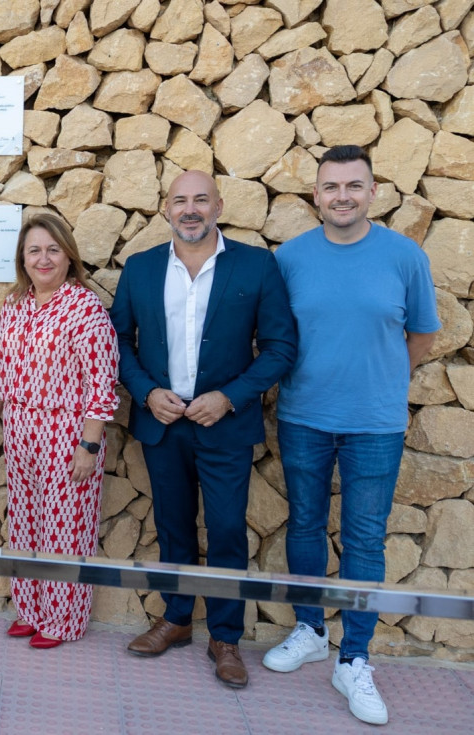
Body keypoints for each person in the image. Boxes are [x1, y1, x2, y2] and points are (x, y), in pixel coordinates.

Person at [262, 145, 439, 725]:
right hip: (304, 415)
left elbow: (421, 335)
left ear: (373, 192)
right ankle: (311, 630)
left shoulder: (404, 256)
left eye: (354, 186)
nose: (342, 196)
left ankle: (355, 658)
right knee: (306, 525)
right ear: (316, 194)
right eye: (332, 186)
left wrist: (379, 382)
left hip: (375, 424)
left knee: (365, 539)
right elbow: (276, 335)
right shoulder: (290, 258)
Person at [110, 170, 296, 688]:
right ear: (165, 208)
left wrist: (230, 398)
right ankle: (175, 619)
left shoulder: (257, 265)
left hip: (225, 425)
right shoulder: (142, 267)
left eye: (200, 200)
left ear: (218, 205)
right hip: (163, 423)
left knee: (228, 531)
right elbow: (119, 341)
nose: (189, 209)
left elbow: (280, 347)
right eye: (179, 201)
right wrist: (147, 392)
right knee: (172, 527)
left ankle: (226, 637)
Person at [0, 212, 120, 650]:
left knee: (65, 529)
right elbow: (1, 371)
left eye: (52, 250)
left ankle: (62, 620)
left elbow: (102, 385)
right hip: (20, 428)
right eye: (34, 250)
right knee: (25, 522)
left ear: (68, 256)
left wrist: (88, 446)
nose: (43, 259)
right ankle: (30, 609)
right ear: (23, 259)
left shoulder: (85, 308)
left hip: (67, 430)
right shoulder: (15, 304)